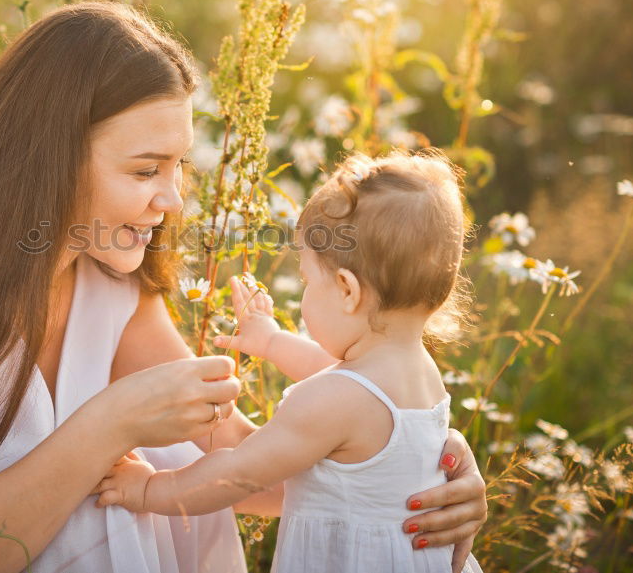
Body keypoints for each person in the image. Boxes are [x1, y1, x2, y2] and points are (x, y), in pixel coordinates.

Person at [0, 2, 486, 573]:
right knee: (110, 476)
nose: (174, 199)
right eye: (145, 171)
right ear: (49, 160)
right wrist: (107, 424)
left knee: (142, 474)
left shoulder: (111, 288)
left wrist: (421, 462)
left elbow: (257, 468)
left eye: (179, 167)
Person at [94, 150, 485, 572]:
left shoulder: (335, 400)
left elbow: (239, 472)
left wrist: (150, 489)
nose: (302, 297)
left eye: (306, 280)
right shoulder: (417, 371)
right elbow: (334, 373)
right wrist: (273, 341)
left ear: (347, 289)